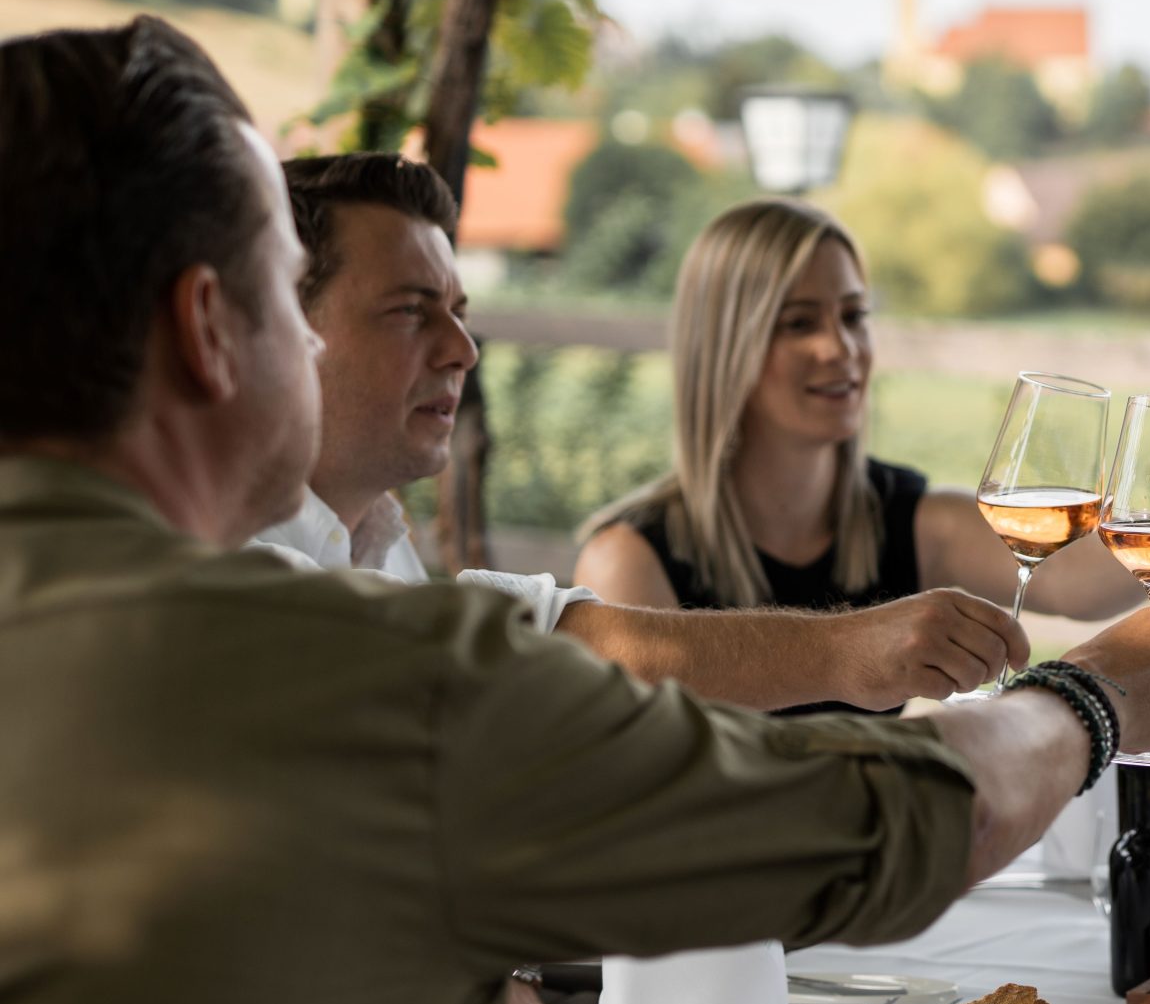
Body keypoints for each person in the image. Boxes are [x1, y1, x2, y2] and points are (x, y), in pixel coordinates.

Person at [0, 19, 1150, 1004]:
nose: (459, 350)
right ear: (209, 327)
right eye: (279, 295)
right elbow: (882, 824)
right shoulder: (341, 674)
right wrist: (1097, 697)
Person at [265, 153, 1035, 710]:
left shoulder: (373, 544)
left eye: (459, 313)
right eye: (410, 311)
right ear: (276, 332)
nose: (462, 350)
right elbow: (543, 648)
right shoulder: (237, 574)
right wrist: (848, 652)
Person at [575, 196, 1150, 709]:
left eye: (853, 315)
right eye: (799, 322)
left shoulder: (900, 517)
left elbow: (1072, 581)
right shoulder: (630, 559)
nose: (840, 347)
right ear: (724, 346)